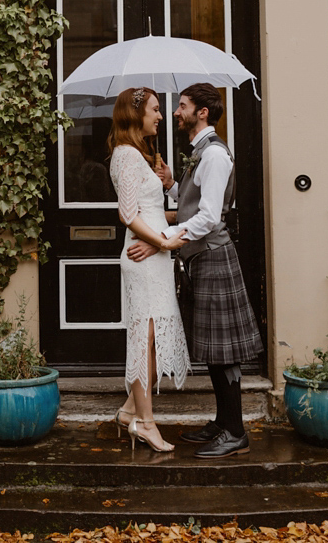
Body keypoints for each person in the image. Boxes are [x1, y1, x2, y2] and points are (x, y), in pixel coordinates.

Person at [127, 83, 264, 459]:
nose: (175, 112)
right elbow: (193, 203)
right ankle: (223, 423)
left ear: (202, 112)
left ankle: (236, 432)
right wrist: (172, 185)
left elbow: (208, 216)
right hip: (200, 258)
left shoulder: (215, 155)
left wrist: (161, 238)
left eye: (182, 106)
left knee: (224, 351)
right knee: (214, 349)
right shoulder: (200, 154)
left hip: (214, 257)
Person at [107, 86, 191, 452]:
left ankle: (128, 412)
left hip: (156, 256)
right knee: (145, 340)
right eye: (155, 110)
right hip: (144, 259)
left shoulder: (141, 157)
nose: (161, 116)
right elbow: (127, 214)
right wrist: (163, 241)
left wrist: (168, 187)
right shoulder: (125, 156)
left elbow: (152, 213)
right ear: (134, 114)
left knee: (153, 340)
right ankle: (146, 422)